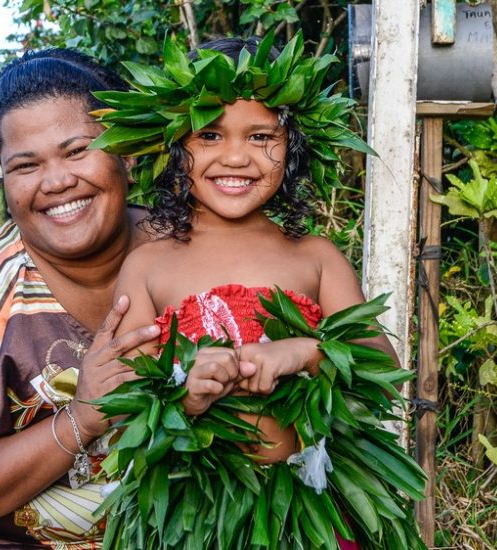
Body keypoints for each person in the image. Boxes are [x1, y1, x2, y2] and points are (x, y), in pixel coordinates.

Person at [0, 48, 240, 549]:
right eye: (26, 165)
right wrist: (82, 417)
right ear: (1, 177)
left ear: (126, 153)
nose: (57, 181)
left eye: (78, 150)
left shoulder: (196, 250)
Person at [95, 36, 410, 549]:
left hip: (312, 514)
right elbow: (128, 404)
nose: (237, 157)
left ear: (294, 145)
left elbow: (382, 376)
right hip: (196, 523)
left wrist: (307, 352)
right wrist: (185, 393)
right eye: (210, 135)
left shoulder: (315, 257)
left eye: (262, 136)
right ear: (174, 146)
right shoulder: (148, 266)